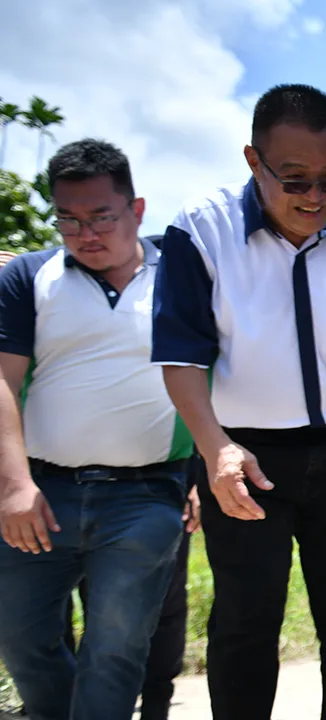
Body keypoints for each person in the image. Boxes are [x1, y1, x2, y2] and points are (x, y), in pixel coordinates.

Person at [151, 84, 326, 720]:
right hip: (246, 457)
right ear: (253, 160)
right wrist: (215, 451)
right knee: (245, 623)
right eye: (294, 179)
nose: (315, 198)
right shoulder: (199, 231)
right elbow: (181, 361)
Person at [0, 139, 192, 720]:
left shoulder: (182, 278)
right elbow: (4, 383)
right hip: (42, 494)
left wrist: (205, 472)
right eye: (69, 219)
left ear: (135, 209)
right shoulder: (29, 277)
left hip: (145, 497)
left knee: (115, 651)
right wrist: (12, 486)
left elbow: (215, 378)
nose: (85, 233)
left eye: (101, 217)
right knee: (23, 641)